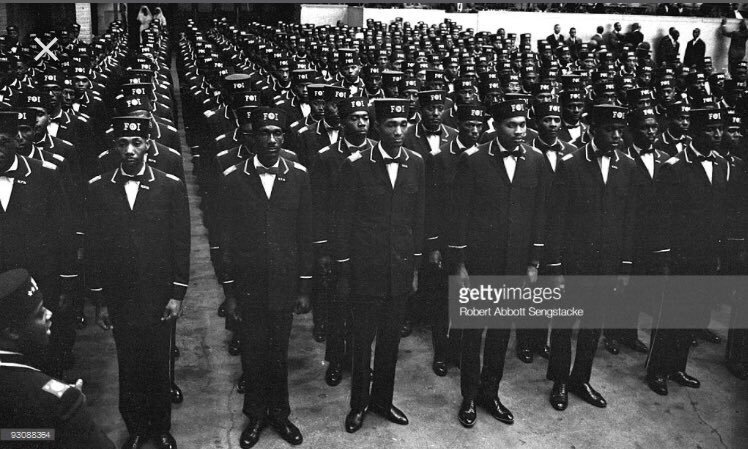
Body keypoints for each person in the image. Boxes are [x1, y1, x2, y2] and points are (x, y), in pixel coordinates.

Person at [87, 116, 190, 449]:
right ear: (115, 147)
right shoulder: (99, 187)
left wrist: (177, 293)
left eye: (137, 143)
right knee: (129, 363)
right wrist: (101, 300)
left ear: (148, 145)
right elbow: (95, 246)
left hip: (158, 293)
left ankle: (160, 427)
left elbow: (180, 242)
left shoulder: (169, 185)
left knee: (159, 362)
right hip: (120, 295)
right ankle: (136, 428)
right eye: (123, 144)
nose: (130, 150)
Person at [450, 99, 549, 427]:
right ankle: (468, 397)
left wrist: (534, 261)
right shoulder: (473, 160)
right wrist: (459, 264)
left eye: (523, 125)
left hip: (515, 264)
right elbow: (459, 214)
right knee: (472, 334)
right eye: (511, 125)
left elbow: (539, 213)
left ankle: (490, 394)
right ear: (495, 126)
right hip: (480, 264)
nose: (519, 131)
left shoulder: (536, 160)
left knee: (500, 334)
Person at [220, 107, 312, 449]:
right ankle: (256, 416)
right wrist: (230, 292)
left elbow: (305, 234)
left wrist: (304, 287)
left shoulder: (298, 176)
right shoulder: (233, 178)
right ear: (252, 138)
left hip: (285, 283)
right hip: (249, 285)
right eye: (264, 133)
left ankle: (280, 414)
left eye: (277, 133)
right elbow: (225, 240)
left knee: (279, 352)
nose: (271, 140)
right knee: (253, 352)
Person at [334, 98, 424, 433]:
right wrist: (345, 270)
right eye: (391, 125)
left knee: (390, 342)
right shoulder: (356, 165)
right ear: (377, 127)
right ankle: (358, 404)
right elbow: (342, 222)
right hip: (366, 271)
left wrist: (414, 268)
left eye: (403, 124)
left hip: (399, 269)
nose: (398, 131)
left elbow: (418, 218)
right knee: (362, 342)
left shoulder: (416, 163)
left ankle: (383, 401)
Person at [545, 105, 641, 411]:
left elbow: (629, 220)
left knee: (593, 324)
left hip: (607, 263)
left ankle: (581, 379)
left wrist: (624, 266)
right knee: (563, 324)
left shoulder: (628, 166)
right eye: (609, 129)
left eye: (620, 130)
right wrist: (555, 266)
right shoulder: (570, 164)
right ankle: (560, 380)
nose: (616, 136)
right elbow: (556, 219)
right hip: (574, 264)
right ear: (592, 129)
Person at [647, 108, 728, 396]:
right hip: (679, 256)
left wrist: (718, 252)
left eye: (720, 128)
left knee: (692, 314)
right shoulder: (674, 167)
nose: (717, 134)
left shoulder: (720, 164)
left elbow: (719, 212)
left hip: (705, 254)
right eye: (710, 129)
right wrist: (663, 257)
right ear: (694, 132)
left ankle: (677, 367)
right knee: (670, 315)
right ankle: (656, 370)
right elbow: (661, 218)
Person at [0, 268, 116, 449]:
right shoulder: (59, 399)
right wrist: (73, 416)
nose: (49, 314)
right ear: (13, 331)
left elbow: (8, 436)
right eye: (39, 313)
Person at [0, 111, 77, 379]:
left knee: (47, 352)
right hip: (2, 287)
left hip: (42, 281)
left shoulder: (44, 174)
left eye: (2, 142)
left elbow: (63, 230)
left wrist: (67, 282)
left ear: (15, 140)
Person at [311, 97, 376, 387]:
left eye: (365, 117)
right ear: (343, 122)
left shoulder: (377, 152)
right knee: (339, 306)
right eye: (354, 118)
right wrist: (324, 249)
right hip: (339, 244)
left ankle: (360, 361)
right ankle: (336, 360)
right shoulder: (326, 157)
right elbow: (319, 206)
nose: (361, 123)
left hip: (368, 243)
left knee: (366, 309)